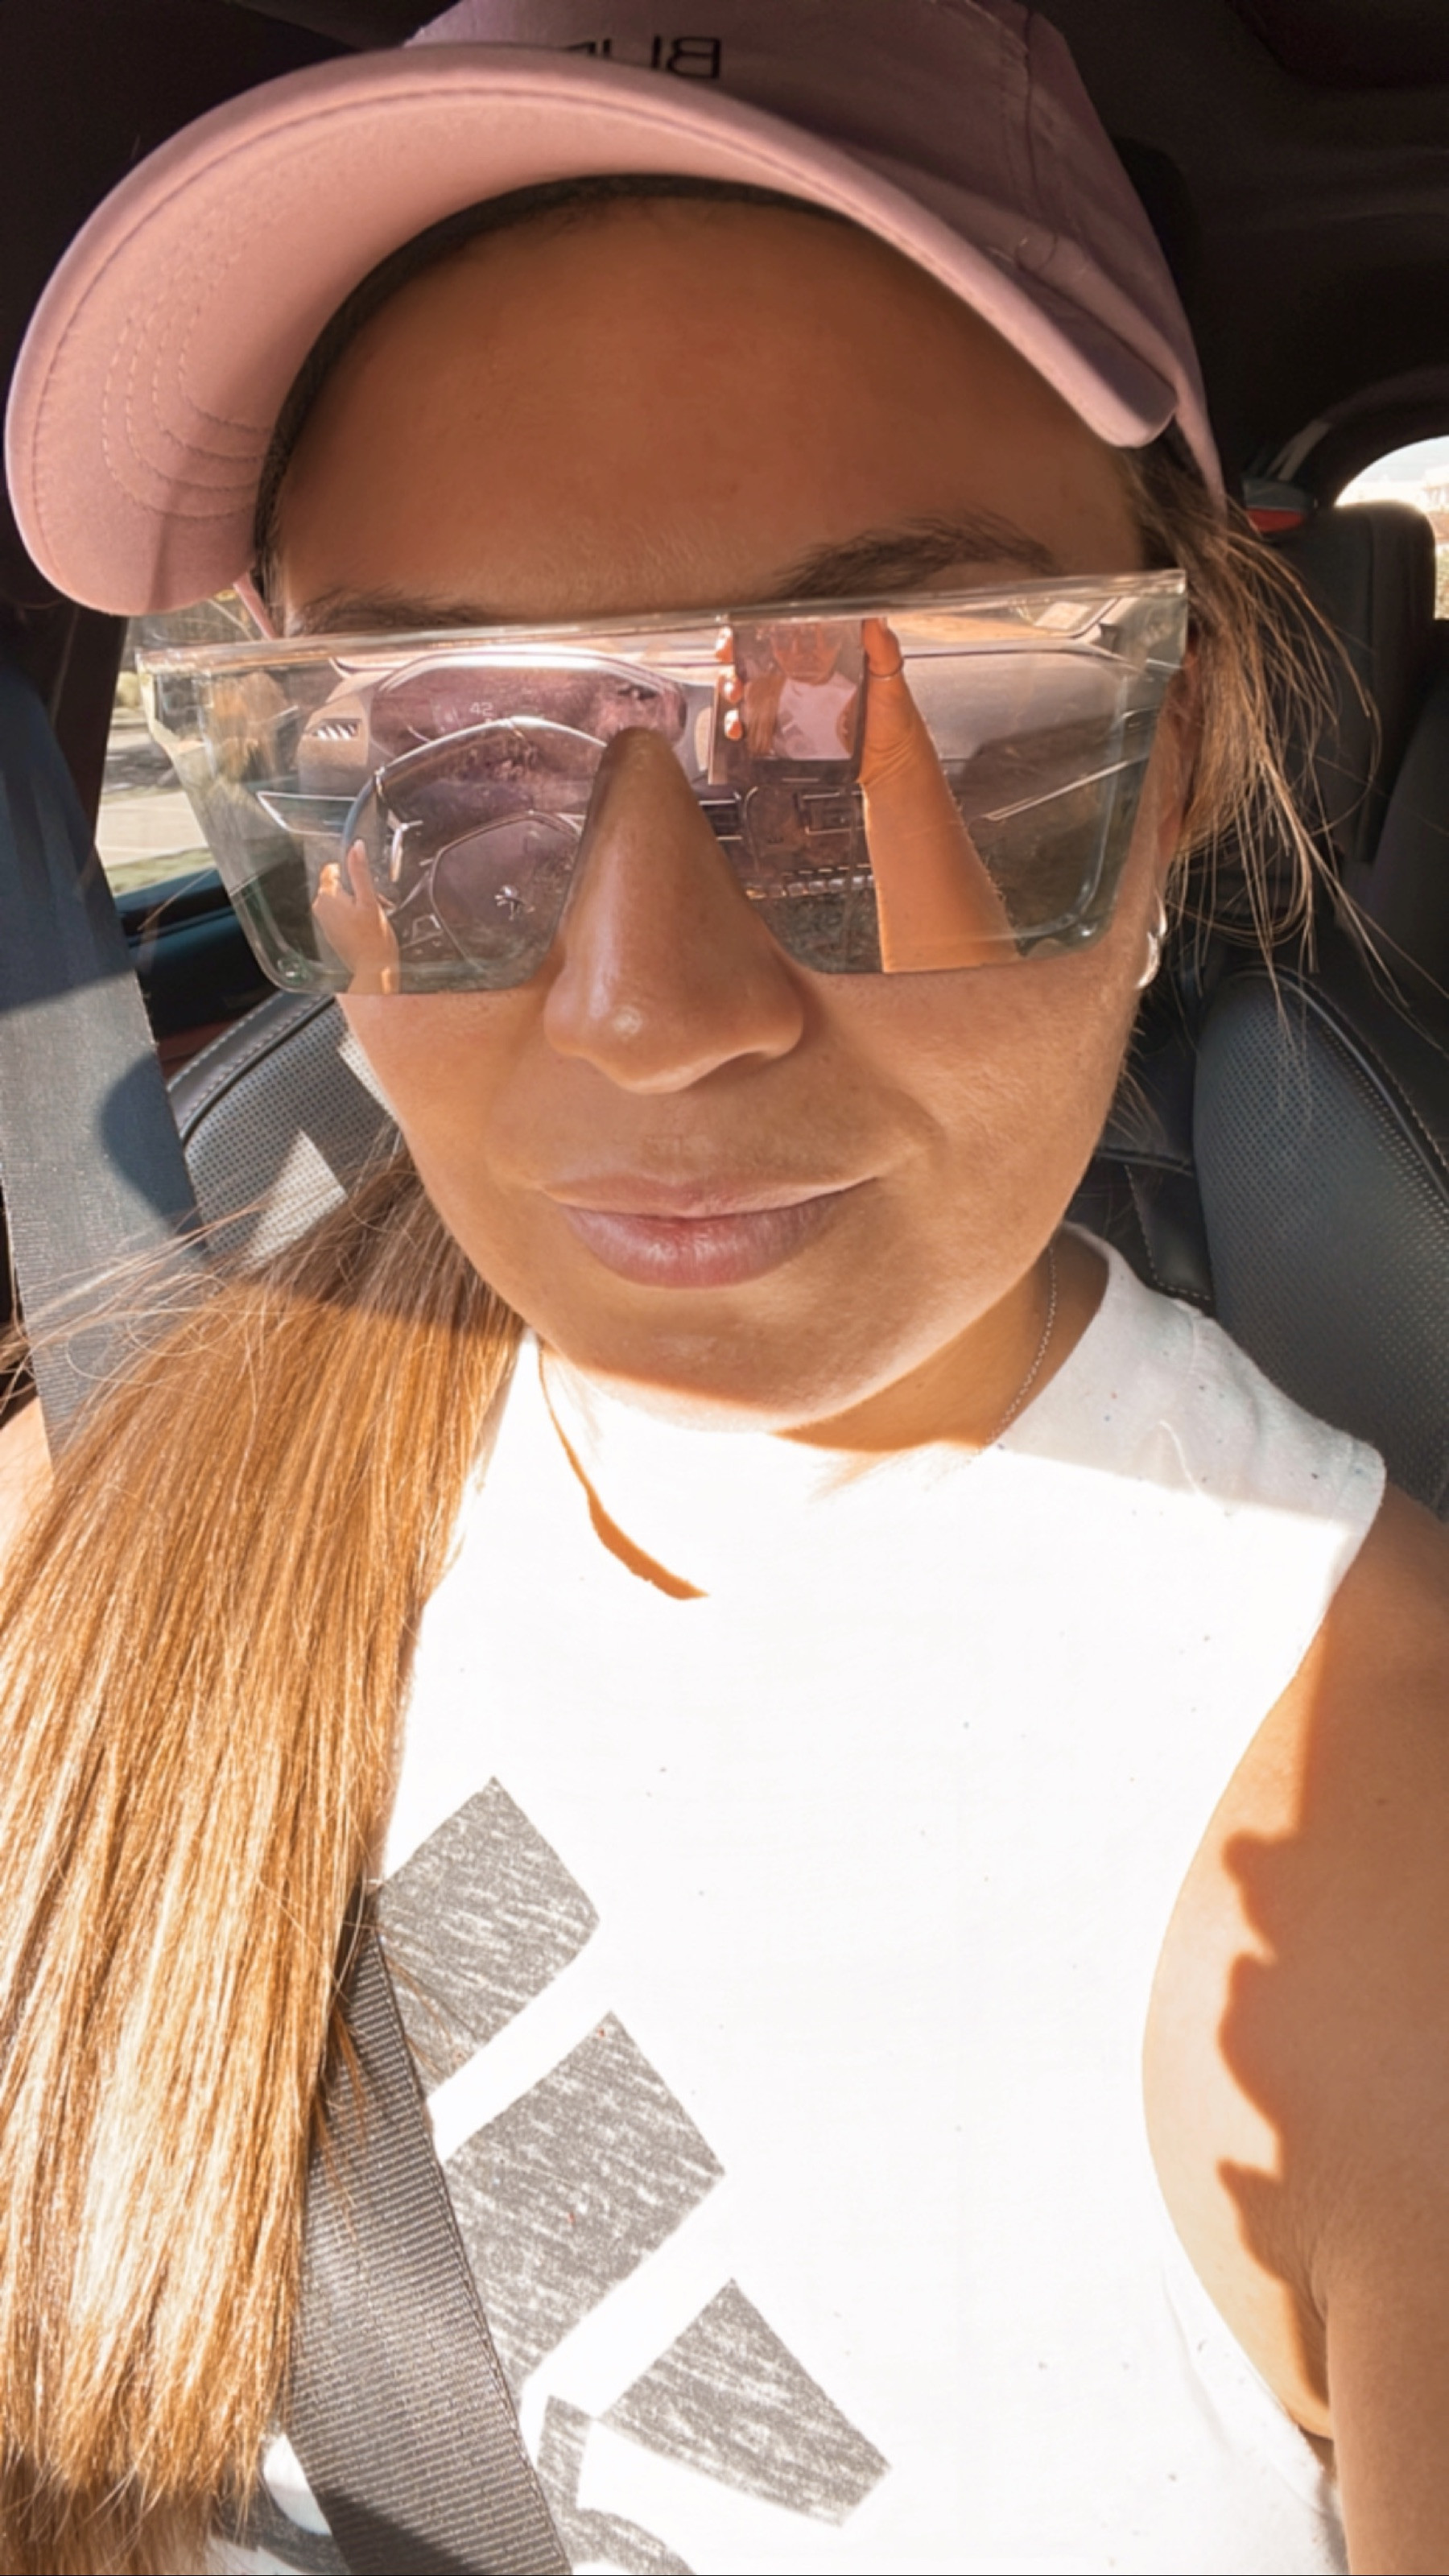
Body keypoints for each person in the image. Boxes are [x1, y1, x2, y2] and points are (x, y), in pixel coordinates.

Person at [2, 5, 1448, 2572]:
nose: (650, 1014)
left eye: (891, 724)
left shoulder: (1380, 1852)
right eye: (449, 753)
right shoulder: (95, 1517)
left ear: (1185, 760)